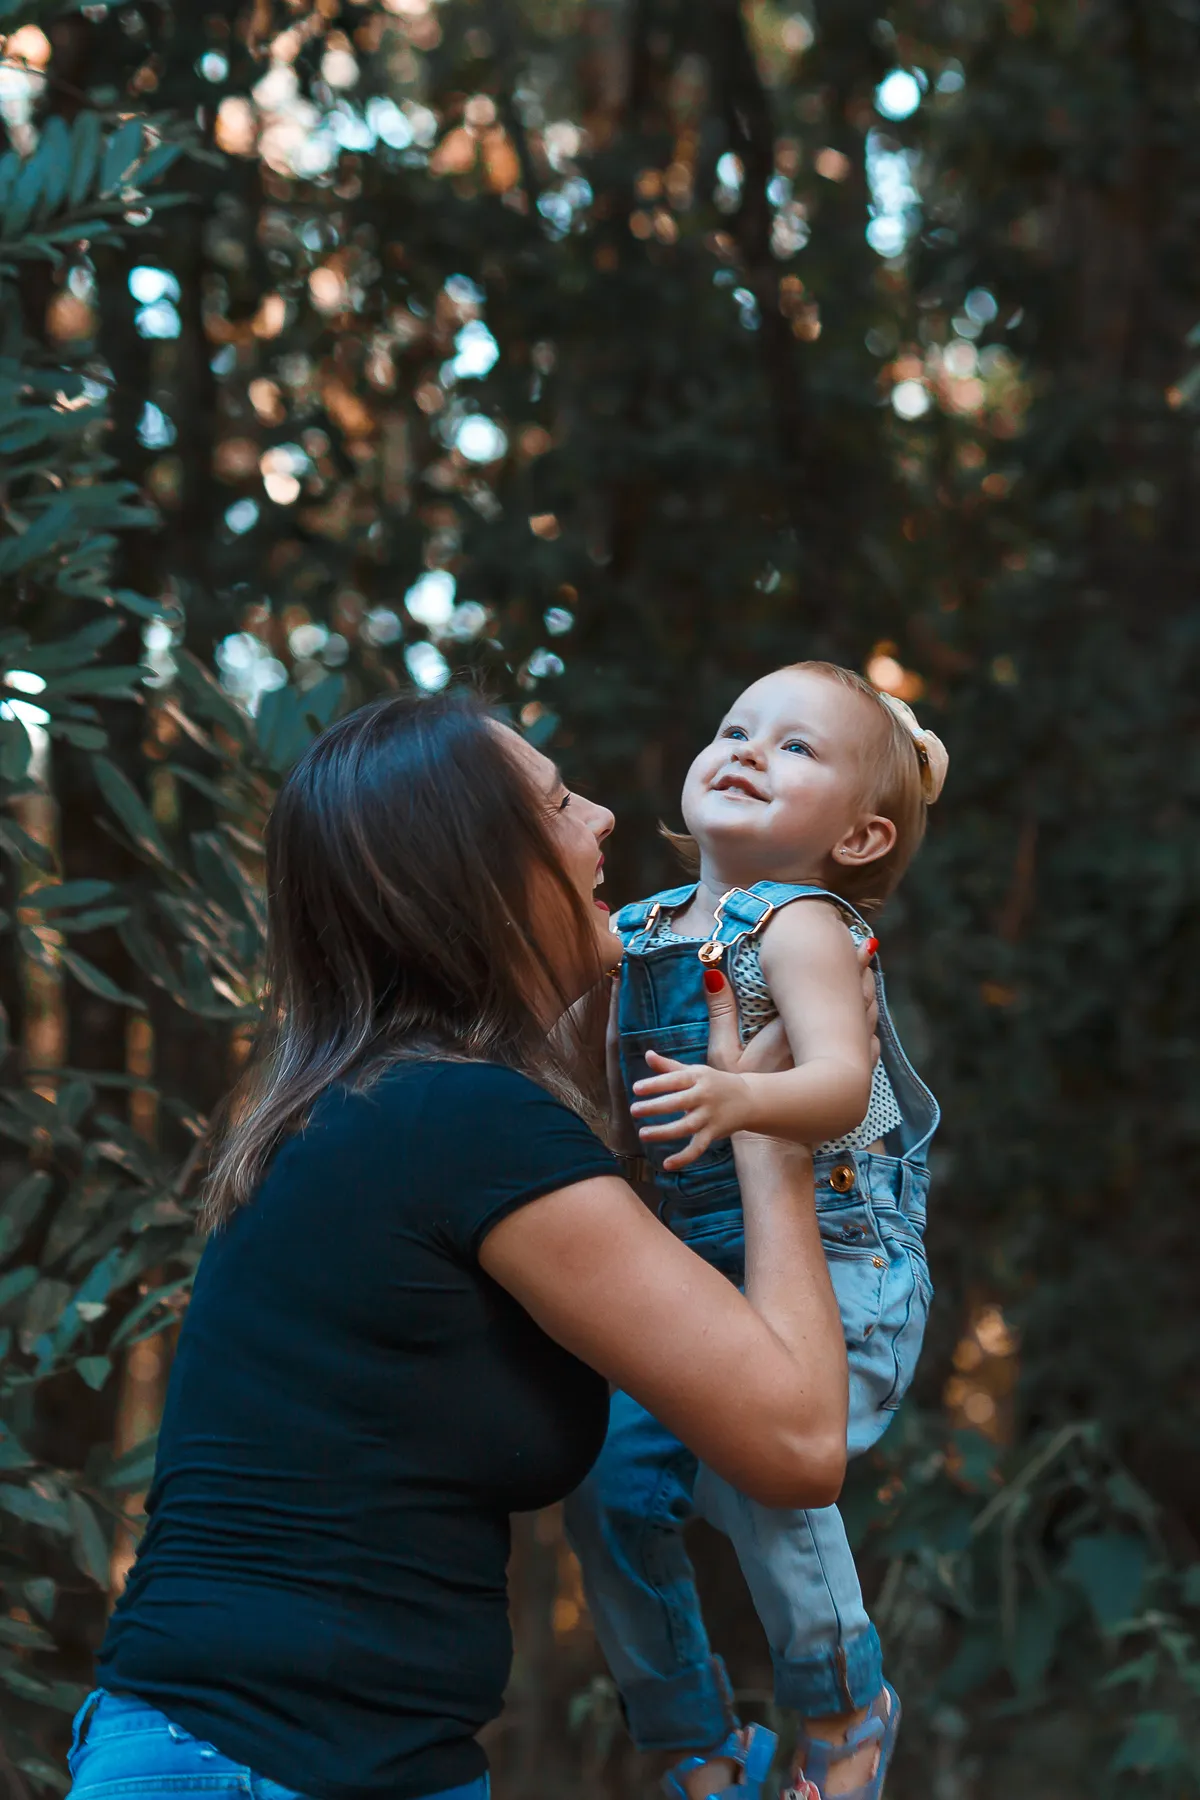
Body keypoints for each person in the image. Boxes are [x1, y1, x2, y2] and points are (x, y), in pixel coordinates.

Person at [65, 689, 856, 1800]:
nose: (603, 822)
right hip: (239, 1766)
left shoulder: (389, 1108)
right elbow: (799, 1438)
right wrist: (773, 1140)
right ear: (472, 869)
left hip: (358, 1762)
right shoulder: (459, 1122)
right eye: (557, 801)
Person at [564, 663, 947, 1800]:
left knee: (763, 1473)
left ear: (862, 837)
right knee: (605, 1482)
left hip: (835, 1263)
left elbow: (837, 1083)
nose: (743, 750)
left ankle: (842, 1703)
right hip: (687, 1273)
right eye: (734, 728)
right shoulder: (629, 930)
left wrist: (739, 1102)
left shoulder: (802, 924)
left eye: (794, 749)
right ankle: (694, 1738)